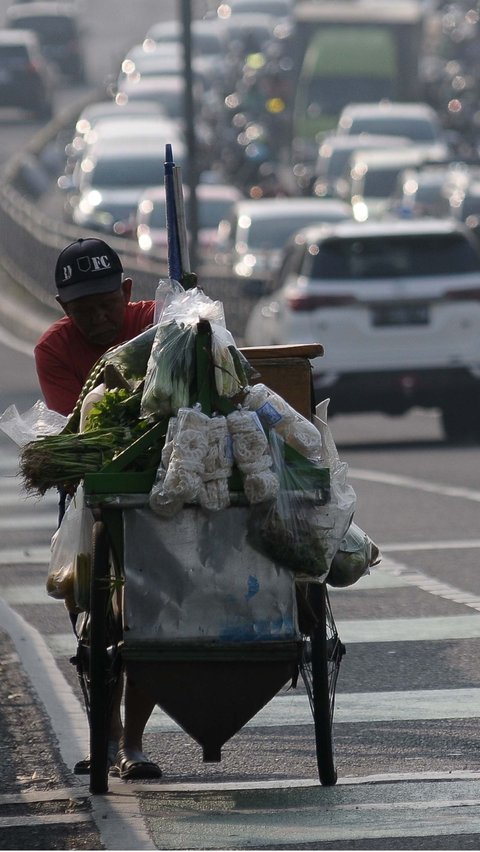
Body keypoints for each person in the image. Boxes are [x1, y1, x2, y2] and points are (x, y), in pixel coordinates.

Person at [35, 237, 162, 781]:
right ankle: (105, 738)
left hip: (164, 490)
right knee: (95, 625)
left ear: (126, 292)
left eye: (107, 304)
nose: (97, 318)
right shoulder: (55, 349)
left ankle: (132, 745)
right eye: (82, 310)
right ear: (64, 309)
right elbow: (86, 435)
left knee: (154, 622)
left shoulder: (161, 323)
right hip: (92, 496)